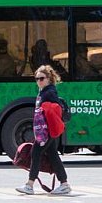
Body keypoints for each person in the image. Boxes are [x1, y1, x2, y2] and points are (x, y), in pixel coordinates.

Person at [16, 65, 72, 195]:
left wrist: (45, 131)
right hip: (46, 130)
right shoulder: (44, 91)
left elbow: (55, 109)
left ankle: (29, 185)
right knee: (52, 155)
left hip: (46, 131)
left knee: (35, 153)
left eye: (41, 78)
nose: (38, 81)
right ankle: (64, 184)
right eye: (36, 79)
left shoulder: (49, 92)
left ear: (49, 78)